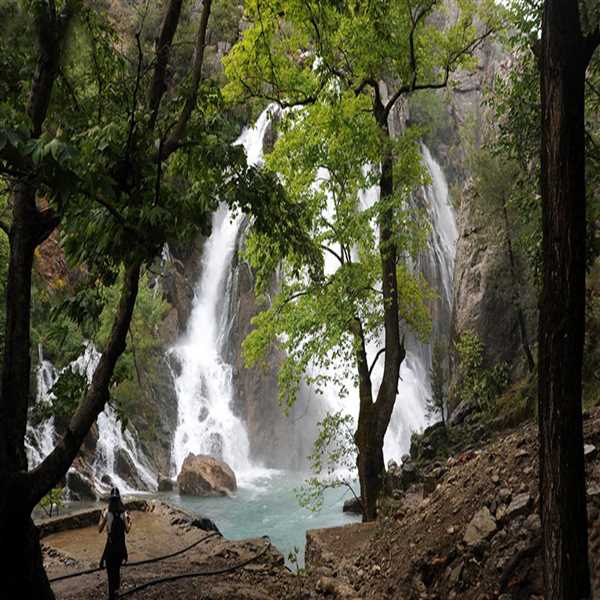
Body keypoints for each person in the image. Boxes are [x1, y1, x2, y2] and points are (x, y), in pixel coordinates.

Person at [99, 487, 132, 599]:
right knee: (117, 571)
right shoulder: (123, 513)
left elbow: (99, 529)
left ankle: (111, 595)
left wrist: (101, 516)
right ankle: (116, 592)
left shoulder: (107, 513)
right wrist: (130, 522)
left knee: (110, 573)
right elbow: (127, 530)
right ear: (119, 499)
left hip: (110, 547)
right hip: (120, 547)